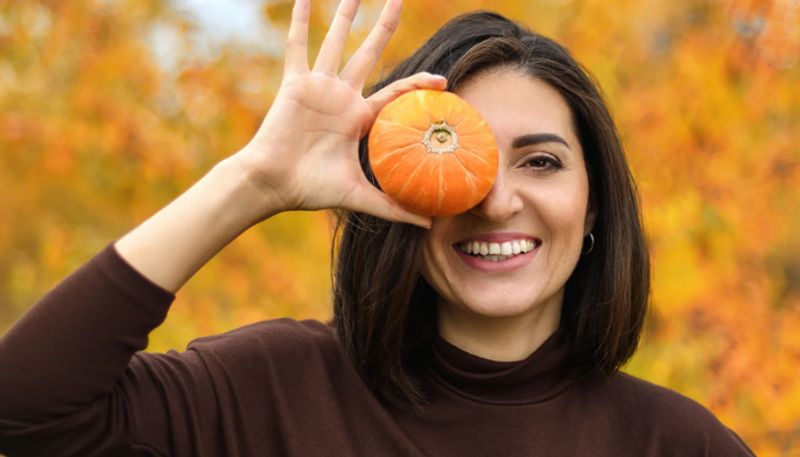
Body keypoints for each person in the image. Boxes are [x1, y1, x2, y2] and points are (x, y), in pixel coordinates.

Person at [0, 0, 756, 456]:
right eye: (462, 158)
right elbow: (25, 409)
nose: (495, 203)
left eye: (542, 163)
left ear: (595, 205)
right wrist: (252, 180)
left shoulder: (674, 442)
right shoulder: (274, 389)